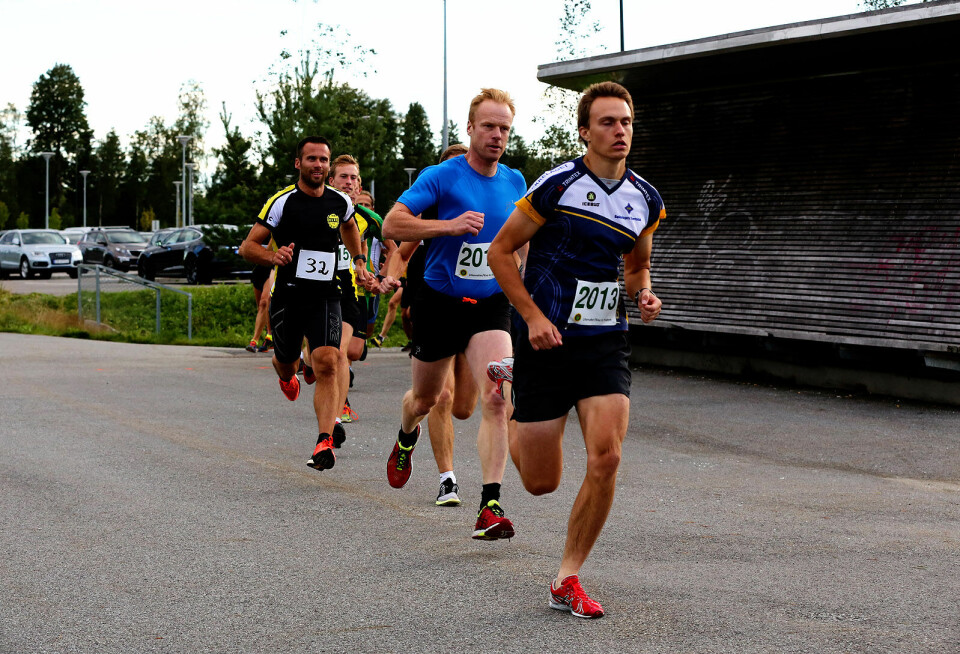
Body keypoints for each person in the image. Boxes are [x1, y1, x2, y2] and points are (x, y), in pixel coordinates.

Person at [487, 81, 665, 619]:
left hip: (604, 339)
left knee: (607, 456)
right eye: (608, 122)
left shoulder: (646, 199)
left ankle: (568, 576)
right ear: (584, 130)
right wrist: (533, 318)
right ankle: (509, 390)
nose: (620, 131)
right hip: (545, 338)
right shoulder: (557, 185)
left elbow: (635, 266)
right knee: (542, 483)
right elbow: (500, 252)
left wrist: (644, 295)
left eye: (627, 122)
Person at [381, 89, 526, 538]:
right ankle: (407, 434)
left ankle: (490, 506)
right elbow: (391, 223)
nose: (497, 135)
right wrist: (448, 225)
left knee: (497, 397)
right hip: (439, 304)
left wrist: (523, 269)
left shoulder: (516, 181)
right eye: (488, 126)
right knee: (425, 400)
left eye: (504, 128)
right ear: (470, 127)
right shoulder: (441, 176)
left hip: (490, 304)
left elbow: (522, 239)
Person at [238, 136, 370, 471]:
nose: (319, 166)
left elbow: (351, 227)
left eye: (324, 160)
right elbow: (247, 246)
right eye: (312, 159)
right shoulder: (283, 202)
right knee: (287, 363)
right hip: (289, 296)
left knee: (327, 361)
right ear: (299, 163)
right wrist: (272, 255)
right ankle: (285, 373)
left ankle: (325, 439)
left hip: (326, 295)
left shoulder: (340, 201)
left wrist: (358, 260)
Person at [246, 262, 274, 352]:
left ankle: (256, 340)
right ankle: (267, 338)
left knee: (264, 302)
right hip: (259, 268)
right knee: (261, 307)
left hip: (273, 267)